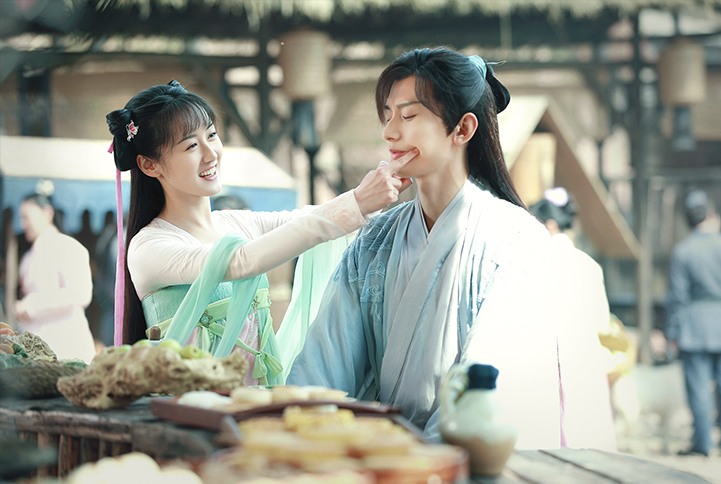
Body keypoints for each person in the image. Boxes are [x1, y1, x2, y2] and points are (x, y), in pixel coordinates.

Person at [288, 47, 563, 449]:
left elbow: (488, 392)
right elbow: (321, 369)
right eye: (387, 114)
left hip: (467, 458)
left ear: (462, 129)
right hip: (385, 458)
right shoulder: (375, 240)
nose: (389, 132)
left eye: (409, 116)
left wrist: (422, 459)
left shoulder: (517, 239)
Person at [107, 80, 416, 384]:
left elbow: (308, 219)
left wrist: (372, 195)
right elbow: (241, 261)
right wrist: (357, 202)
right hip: (189, 407)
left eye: (212, 135)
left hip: (258, 402)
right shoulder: (149, 246)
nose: (211, 153)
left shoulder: (236, 223)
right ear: (149, 165)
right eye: (191, 145)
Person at [529, 187, 617, 451]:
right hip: (586, 360)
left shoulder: (533, 261)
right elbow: (602, 323)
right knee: (588, 443)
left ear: (550, 225)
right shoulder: (589, 265)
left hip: (546, 361)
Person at [665, 189, 721, 457]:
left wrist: (672, 331)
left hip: (694, 325)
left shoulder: (683, 251)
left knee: (699, 388)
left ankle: (703, 443)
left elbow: (677, 297)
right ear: (711, 214)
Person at [15, 193, 97, 363]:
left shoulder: (68, 246)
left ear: (47, 213)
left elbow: (81, 294)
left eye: (26, 217)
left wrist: (31, 305)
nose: (23, 224)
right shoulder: (28, 257)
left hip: (68, 346)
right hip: (36, 351)